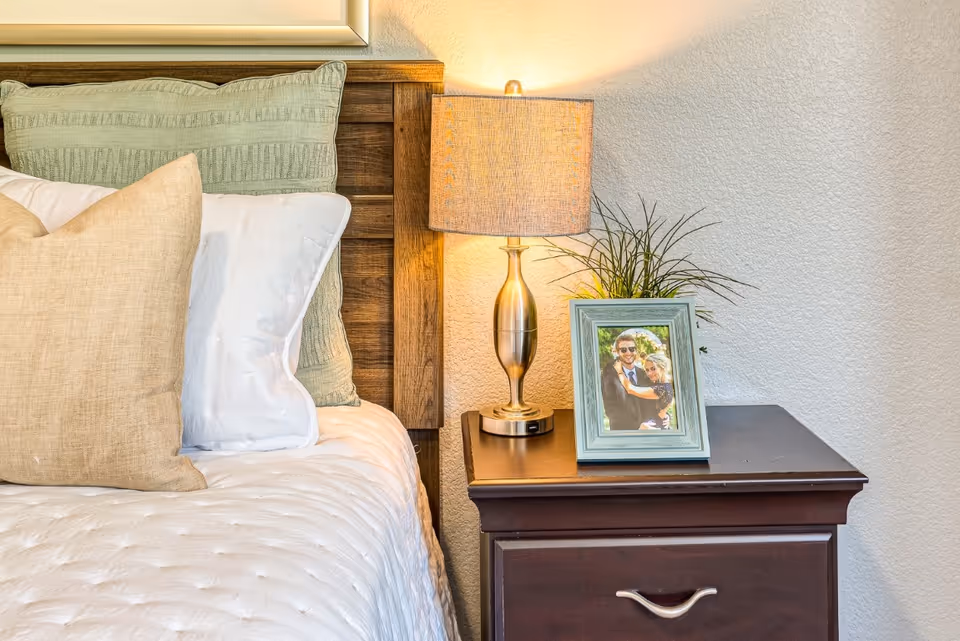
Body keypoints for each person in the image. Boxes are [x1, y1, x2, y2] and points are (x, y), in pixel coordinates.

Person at [600, 334, 658, 430]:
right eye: (623, 350)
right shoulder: (609, 376)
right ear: (617, 352)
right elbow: (610, 409)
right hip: (623, 432)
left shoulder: (644, 374)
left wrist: (664, 417)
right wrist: (636, 428)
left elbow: (653, 401)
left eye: (631, 349)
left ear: (636, 351)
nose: (628, 353)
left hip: (647, 431)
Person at [614, 352, 675, 429]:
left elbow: (630, 389)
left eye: (653, 369)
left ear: (662, 367)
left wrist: (619, 371)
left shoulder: (663, 389)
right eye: (647, 370)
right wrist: (666, 416)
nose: (650, 373)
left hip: (654, 429)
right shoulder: (654, 384)